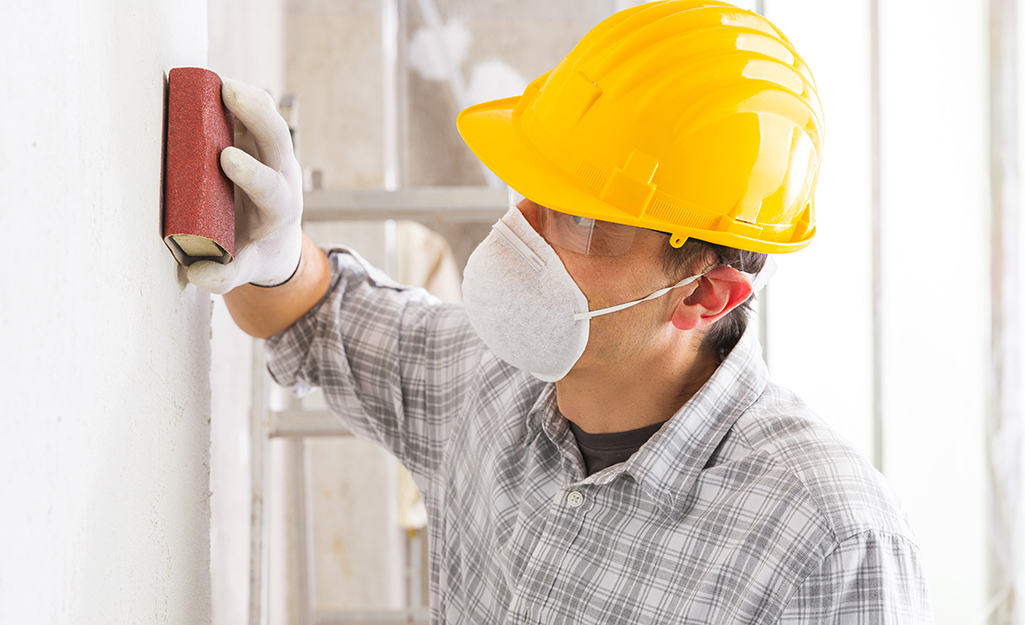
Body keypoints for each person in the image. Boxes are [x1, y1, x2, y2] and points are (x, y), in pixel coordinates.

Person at [191, 1, 933, 622]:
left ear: (705, 295)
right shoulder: (487, 386)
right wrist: (275, 250)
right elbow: (316, 315)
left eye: (582, 222)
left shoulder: (828, 541)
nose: (523, 231)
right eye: (536, 191)